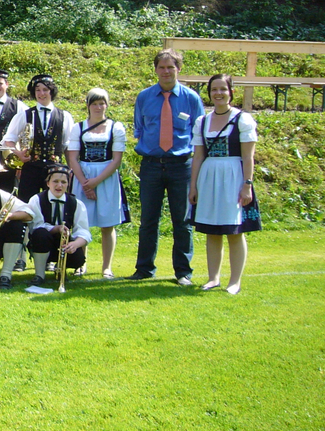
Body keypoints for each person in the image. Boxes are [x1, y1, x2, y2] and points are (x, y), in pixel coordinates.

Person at [131, 48, 204, 285]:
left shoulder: (191, 98)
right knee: (148, 221)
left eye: (170, 67)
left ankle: (183, 272)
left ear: (179, 69)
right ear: (155, 70)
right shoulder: (144, 97)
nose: (166, 71)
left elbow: (200, 134)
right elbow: (139, 128)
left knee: (182, 221)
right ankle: (144, 269)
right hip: (151, 165)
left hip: (181, 166)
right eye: (161, 67)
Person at [189, 74, 261, 295]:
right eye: (214, 89)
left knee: (234, 231)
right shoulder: (202, 122)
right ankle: (213, 278)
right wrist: (193, 186)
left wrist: (247, 184)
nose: (218, 93)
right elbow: (198, 156)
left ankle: (235, 281)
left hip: (233, 177)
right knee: (212, 230)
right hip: (209, 177)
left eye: (223, 89)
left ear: (231, 92)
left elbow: (248, 156)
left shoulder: (242, 120)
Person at [66, 88, 130, 278]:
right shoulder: (78, 128)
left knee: (107, 225)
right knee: (81, 223)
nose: (98, 107)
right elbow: (73, 158)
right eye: (94, 103)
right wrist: (85, 184)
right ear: (88, 105)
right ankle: (81, 264)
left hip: (106, 176)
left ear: (107, 105)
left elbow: (116, 160)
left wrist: (95, 182)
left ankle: (106, 266)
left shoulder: (115, 128)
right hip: (82, 175)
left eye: (101, 103)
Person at [2, 74, 74, 206]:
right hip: (31, 169)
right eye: (38, 90)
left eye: (45, 90)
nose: (41, 93)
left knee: (53, 205)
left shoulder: (65, 116)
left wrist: (70, 169)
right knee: (26, 205)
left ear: (52, 91)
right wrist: (18, 154)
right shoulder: (24, 115)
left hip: (55, 170)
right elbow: (8, 140)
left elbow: (68, 146)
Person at [26, 165, 90, 285]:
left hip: (64, 243)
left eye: (63, 182)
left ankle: (61, 268)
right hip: (43, 242)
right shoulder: (36, 200)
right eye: (55, 181)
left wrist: (75, 244)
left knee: (78, 259)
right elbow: (35, 226)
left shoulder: (76, 203)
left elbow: (84, 231)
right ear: (48, 183)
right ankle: (39, 275)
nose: (59, 186)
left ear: (68, 184)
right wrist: (56, 228)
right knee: (40, 234)